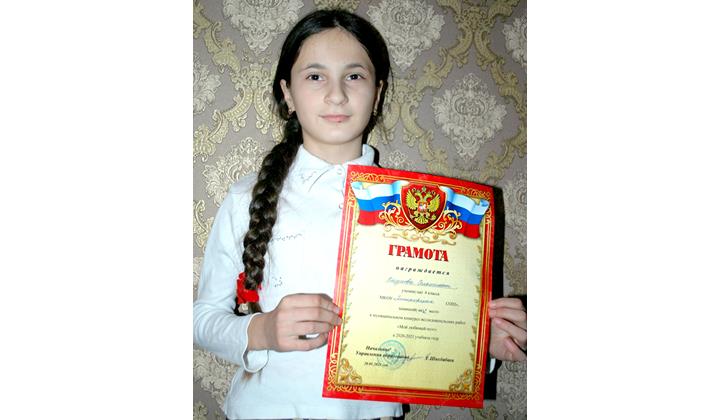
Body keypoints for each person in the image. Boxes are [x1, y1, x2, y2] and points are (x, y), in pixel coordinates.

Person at [193, 9, 527, 420]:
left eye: (354, 75)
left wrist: (478, 342)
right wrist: (261, 330)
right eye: (315, 76)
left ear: (378, 93)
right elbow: (202, 319)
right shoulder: (247, 197)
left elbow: (420, 326)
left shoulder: (426, 212)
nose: (336, 94)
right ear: (288, 93)